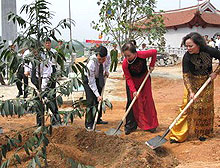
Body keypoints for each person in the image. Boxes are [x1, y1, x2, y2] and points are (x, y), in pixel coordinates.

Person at [170, 32, 220, 143]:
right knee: (187, 107)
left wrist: (216, 72)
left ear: (198, 44)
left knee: (204, 108)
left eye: (190, 46)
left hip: (207, 83)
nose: (188, 48)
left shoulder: (208, 50)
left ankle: (204, 133)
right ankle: (178, 135)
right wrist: (191, 91)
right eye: (186, 46)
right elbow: (186, 76)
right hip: (192, 83)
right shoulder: (187, 57)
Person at [122, 42, 158, 135]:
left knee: (147, 100)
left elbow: (154, 52)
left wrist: (152, 64)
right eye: (125, 56)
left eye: (129, 55)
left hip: (144, 80)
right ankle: (130, 126)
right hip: (133, 82)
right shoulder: (125, 64)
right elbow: (128, 78)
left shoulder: (142, 55)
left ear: (135, 53)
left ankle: (151, 125)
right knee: (132, 102)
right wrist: (133, 91)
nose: (127, 58)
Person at [83, 45, 111, 131]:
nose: (101, 61)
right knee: (91, 100)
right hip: (88, 79)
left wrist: (106, 70)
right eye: (99, 59)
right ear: (96, 56)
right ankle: (89, 123)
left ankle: (98, 118)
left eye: (103, 59)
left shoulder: (108, 56)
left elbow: (108, 63)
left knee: (99, 98)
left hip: (99, 75)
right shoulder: (91, 63)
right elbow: (91, 82)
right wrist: (97, 94)